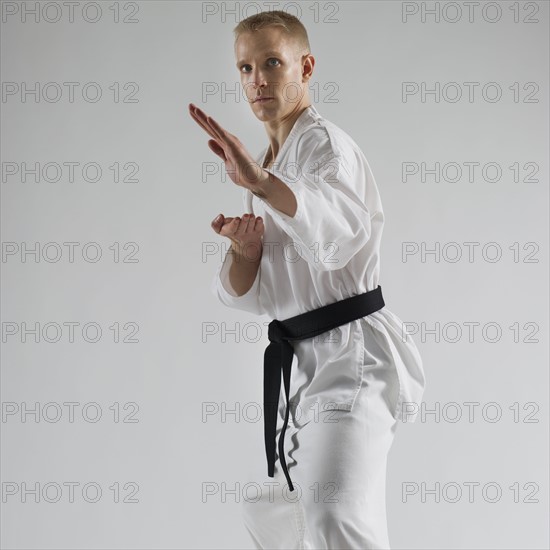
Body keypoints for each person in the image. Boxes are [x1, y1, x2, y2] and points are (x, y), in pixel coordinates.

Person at [189, 10, 426, 550]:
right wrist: (247, 252)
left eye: (273, 62)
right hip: (308, 364)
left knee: (335, 519)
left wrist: (263, 183)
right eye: (246, 68)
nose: (258, 81)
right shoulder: (270, 162)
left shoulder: (324, 147)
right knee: (282, 518)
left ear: (306, 66)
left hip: (354, 358)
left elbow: (336, 230)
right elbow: (270, 292)